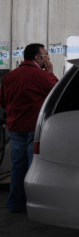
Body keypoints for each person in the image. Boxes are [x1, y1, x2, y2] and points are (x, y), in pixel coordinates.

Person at [0, 43, 58, 212]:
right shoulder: (42, 76)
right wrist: (50, 72)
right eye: (46, 55)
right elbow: (57, 92)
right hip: (34, 128)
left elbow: (2, 101)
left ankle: (15, 204)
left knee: (18, 167)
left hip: (15, 127)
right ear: (38, 58)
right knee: (34, 167)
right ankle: (34, 204)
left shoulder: (9, 77)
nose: (48, 58)